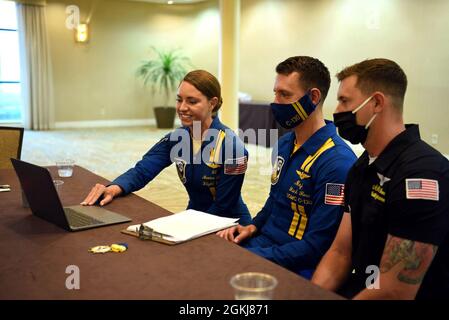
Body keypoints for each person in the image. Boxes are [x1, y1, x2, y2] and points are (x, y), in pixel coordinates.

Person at [312, 58, 449, 299]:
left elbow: (396, 290)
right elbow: (340, 253)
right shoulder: (361, 166)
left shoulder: (422, 175)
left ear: (376, 103)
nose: (336, 111)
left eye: (344, 100)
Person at [217, 56, 356, 278]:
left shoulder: (336, 163)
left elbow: (317, 246)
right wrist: (251, 227)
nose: (276, 102)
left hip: (297, 265)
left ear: (313, 97)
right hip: (263, 245)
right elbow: (275, 200)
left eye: (285, 95)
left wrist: (254, 256)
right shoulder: (284, 143)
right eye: (275, 93)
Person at [81, 70, 252, 225]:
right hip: (194, 217)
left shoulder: (232, 147)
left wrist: (186, 227)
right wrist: (114, 188)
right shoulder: (178, 138)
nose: (182, 108)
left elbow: (224, 205)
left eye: (192, 101)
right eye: (179, 100)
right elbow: (143, 170)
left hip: (228, 226)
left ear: (212, 103)